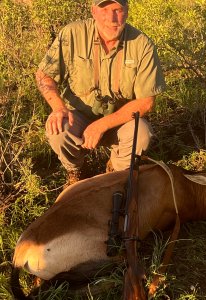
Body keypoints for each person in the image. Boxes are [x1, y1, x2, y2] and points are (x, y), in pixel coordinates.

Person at [36, 0, 166, 186]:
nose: (112, 19)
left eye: (117, 10)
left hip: (119, 121)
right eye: (105, 10)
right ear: (94, 12)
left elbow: (146, 102)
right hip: (78, 116)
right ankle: (76, 171)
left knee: (142, 132)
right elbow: (43, 75)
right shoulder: (73, 34)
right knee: (58, 129)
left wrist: (102, 125)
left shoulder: (142, 44)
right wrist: (58, 108)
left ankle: (116, 172)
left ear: (127, 12)